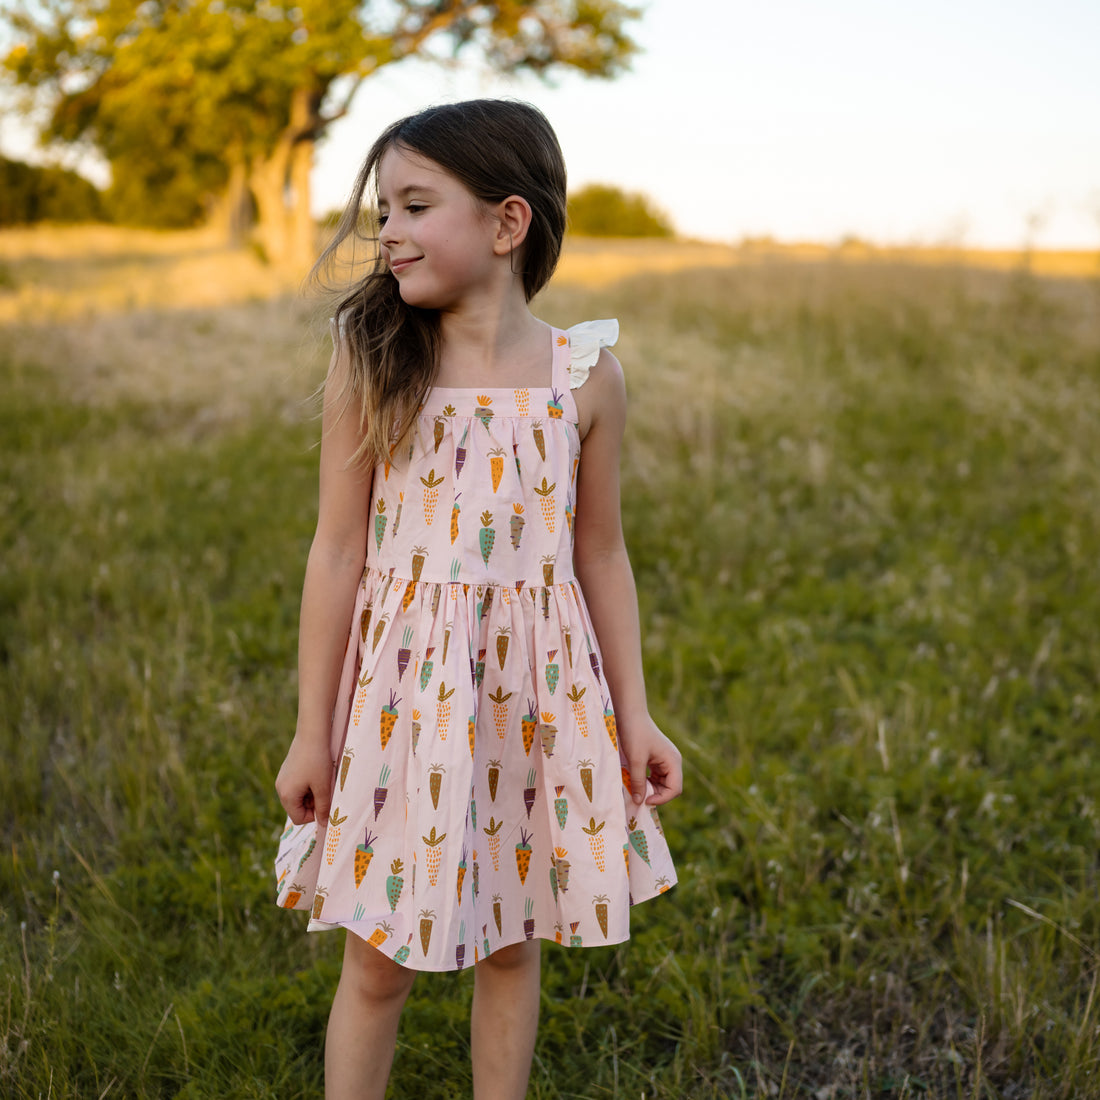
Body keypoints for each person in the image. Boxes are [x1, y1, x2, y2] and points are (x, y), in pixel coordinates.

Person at [274, 98, 681, 1100]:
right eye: (383, 211)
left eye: (416, 204)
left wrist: (634, 714)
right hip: (404, 698)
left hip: (532, 696)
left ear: (507, 223)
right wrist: (310, 731)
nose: (391, 233)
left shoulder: (581, 375)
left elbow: (601, 555)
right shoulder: (374, 363)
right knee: (377, 953)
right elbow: (335, 553)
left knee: (511, 935)